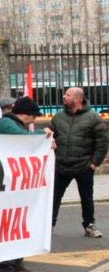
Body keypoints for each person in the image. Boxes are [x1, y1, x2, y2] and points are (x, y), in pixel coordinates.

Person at [0, 97, 51, 272]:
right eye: (33, 117)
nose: (34, 121)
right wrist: (43, 134)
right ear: (27, 114)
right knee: (6, 229)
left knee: (18, 226)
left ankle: (17, 264)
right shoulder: (7, 124)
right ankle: (5, 271)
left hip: (12, 186)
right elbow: (23, 141)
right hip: (2, 186)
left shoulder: (12, 123)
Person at [47, 87, 109, 238]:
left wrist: (94, 163)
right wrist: (47, 133)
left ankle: (89, 226)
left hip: (84, 166)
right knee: (54, 196)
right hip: (61, 165)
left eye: (68, 94)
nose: (64, 96)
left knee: (86, 197)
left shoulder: (94, 118)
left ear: (77, 99)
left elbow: (102, 142)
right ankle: (48, 226)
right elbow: (49, 131)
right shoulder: (58, 117)